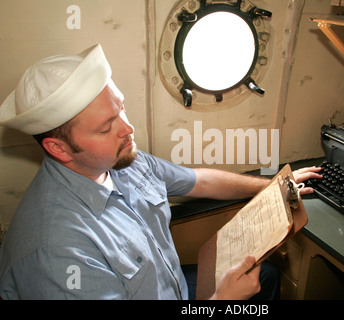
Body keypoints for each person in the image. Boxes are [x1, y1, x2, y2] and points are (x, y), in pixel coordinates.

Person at [0, 44, 322, 299]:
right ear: (59, 149)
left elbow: (200, 181)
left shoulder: (121, 158)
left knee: (266, 277)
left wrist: (274, 184)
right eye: (105, 127)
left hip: (175, 288)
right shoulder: (54, 253)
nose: (128, 129)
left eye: (121, 108)